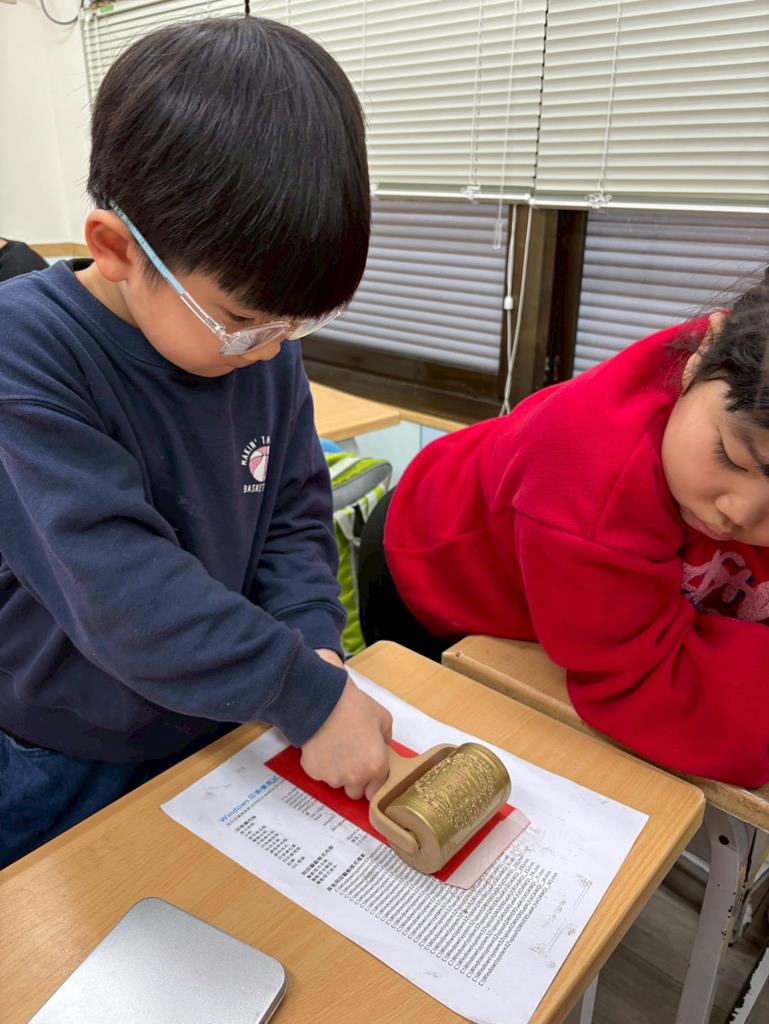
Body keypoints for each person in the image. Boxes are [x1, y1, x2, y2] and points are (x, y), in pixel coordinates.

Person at [0, 16, 393, 869]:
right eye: (246, 319)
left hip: (219, 713)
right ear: (115, 248)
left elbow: (293, 510)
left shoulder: (256, 345)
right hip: (66, 748)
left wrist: (311, 639)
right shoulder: (21, 353)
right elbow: (121, 590)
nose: (274, 348)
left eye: (295, 324)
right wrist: (299, 688)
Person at [360, 273, 769, 788]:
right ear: (700, 357)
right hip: (428, 564)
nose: (738, 512)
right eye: (731, 457)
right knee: (428, 755)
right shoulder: (589, 478)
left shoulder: (734, 393)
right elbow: (642, 682)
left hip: (543, 553)